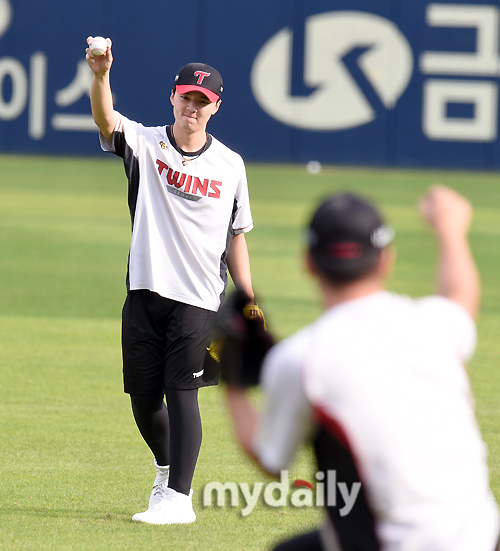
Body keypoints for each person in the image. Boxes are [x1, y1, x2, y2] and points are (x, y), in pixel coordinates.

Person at [224, 186, 499, 550]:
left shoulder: (300, 359)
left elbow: (271, 458)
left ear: (308, 262)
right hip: (481, 538)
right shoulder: (436, 326)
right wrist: (450, 230)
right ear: (386, 260)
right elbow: (461, 297)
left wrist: (233, 380)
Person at [85, 36, 255, 525]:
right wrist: (100, 76)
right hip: (144, 290)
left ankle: (180, 499)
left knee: (182, 392)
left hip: (199, 298)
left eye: (202, 102)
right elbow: (105, 119)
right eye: (186, 98)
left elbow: (236, 236)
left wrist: (246, 296)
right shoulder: (145, 144)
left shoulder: (230, 166)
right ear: (173, 98)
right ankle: (166, 470)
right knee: (143, 401)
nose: (193, 108)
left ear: (215, 107)